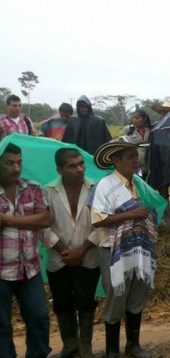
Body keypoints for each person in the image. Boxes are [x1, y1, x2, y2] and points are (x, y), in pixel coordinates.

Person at [89, 137, 164, 358]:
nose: (136, 160)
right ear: (116, 160)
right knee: (116, 298)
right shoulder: (105, 185)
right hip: (113, 251)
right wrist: (132, 214)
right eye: (131, 156)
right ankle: (112, 349)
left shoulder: (138, 183)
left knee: (137, 295)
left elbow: (153, 207)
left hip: (140, 249)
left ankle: (133, 344)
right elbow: (97, 219)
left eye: (136, 155)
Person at [40, 148, 100, 358]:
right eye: (72, 166)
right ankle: (69, 345)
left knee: (86, 302)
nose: (80, 169)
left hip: (88, 256)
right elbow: (43, 226)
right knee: (62, 302)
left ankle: (85, 348)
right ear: (60, 169)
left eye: (81, 164)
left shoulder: (95, 188)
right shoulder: (48, 190)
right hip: (59, 258)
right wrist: (65, 251)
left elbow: (102, 225)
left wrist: (82, 250)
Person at [0, 143, 51, 358]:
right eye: (10, 163)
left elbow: (45, 218)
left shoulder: (33, 188)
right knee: (1, 326)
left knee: (39, 317)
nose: (16, 168)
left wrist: (6, 219)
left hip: (29, 268)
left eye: (19, 162)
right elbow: (36, 219)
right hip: (1, 272)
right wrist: (28, 221)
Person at [120, 109, 152, 178]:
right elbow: (120, 143)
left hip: (148, 163)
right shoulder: (128, 130)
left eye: (137, 118)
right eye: (133, 118)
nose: (135, 120)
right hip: (133, 163)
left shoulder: (150, 130)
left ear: (144, 119)